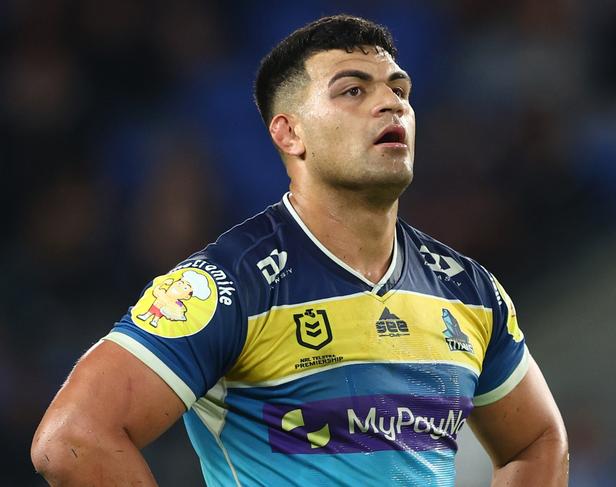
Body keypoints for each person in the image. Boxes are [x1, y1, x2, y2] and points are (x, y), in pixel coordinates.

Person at [31, 14, 569, 486]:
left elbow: (538, 440)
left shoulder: (469, 291)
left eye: (399, 90)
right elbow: (73, 439)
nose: (390, 103)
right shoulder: (227, 284)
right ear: (289, 134)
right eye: (353, 90)